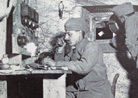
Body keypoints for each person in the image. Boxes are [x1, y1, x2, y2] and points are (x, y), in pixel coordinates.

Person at [42, 18, 114, 98]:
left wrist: (56, 64)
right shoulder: (74, 50)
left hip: (96, 92)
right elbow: (60, 67)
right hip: (78, 91)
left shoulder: (92, 46)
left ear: (80, 33)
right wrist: (60, 50)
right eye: (65, 34)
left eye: (69, 34)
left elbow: (83, 67)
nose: (66, 38)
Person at [111, 2, 138, 68]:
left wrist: (134, 56)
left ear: (123, 16)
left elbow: (130, 42)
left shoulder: (130, 21)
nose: (120, 21)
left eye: (119, 19)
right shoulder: (136, 16)